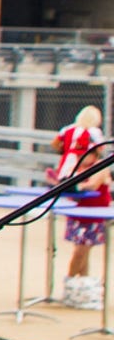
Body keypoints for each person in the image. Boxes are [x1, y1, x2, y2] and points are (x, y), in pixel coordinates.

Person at [62, 106, 109, 306]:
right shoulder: (77, 165)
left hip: (94, 212)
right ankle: (78, 287)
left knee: (83, 249)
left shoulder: (101, 166)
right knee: (81, 249)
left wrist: (77, 183)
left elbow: (93, 185)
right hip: (80, 211)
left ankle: (74, 284)